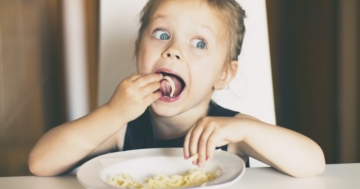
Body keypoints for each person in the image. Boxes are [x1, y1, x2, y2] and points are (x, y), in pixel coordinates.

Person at [28, 0, 325, 178]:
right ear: (137, 51)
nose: (172, 50)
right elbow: (40, 162)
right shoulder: (122, 127)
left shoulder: (231, 133)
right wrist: (111, 112)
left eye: (199, 43)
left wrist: (246, 131)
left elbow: (313, 163)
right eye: (161, 34)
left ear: (223, 74)